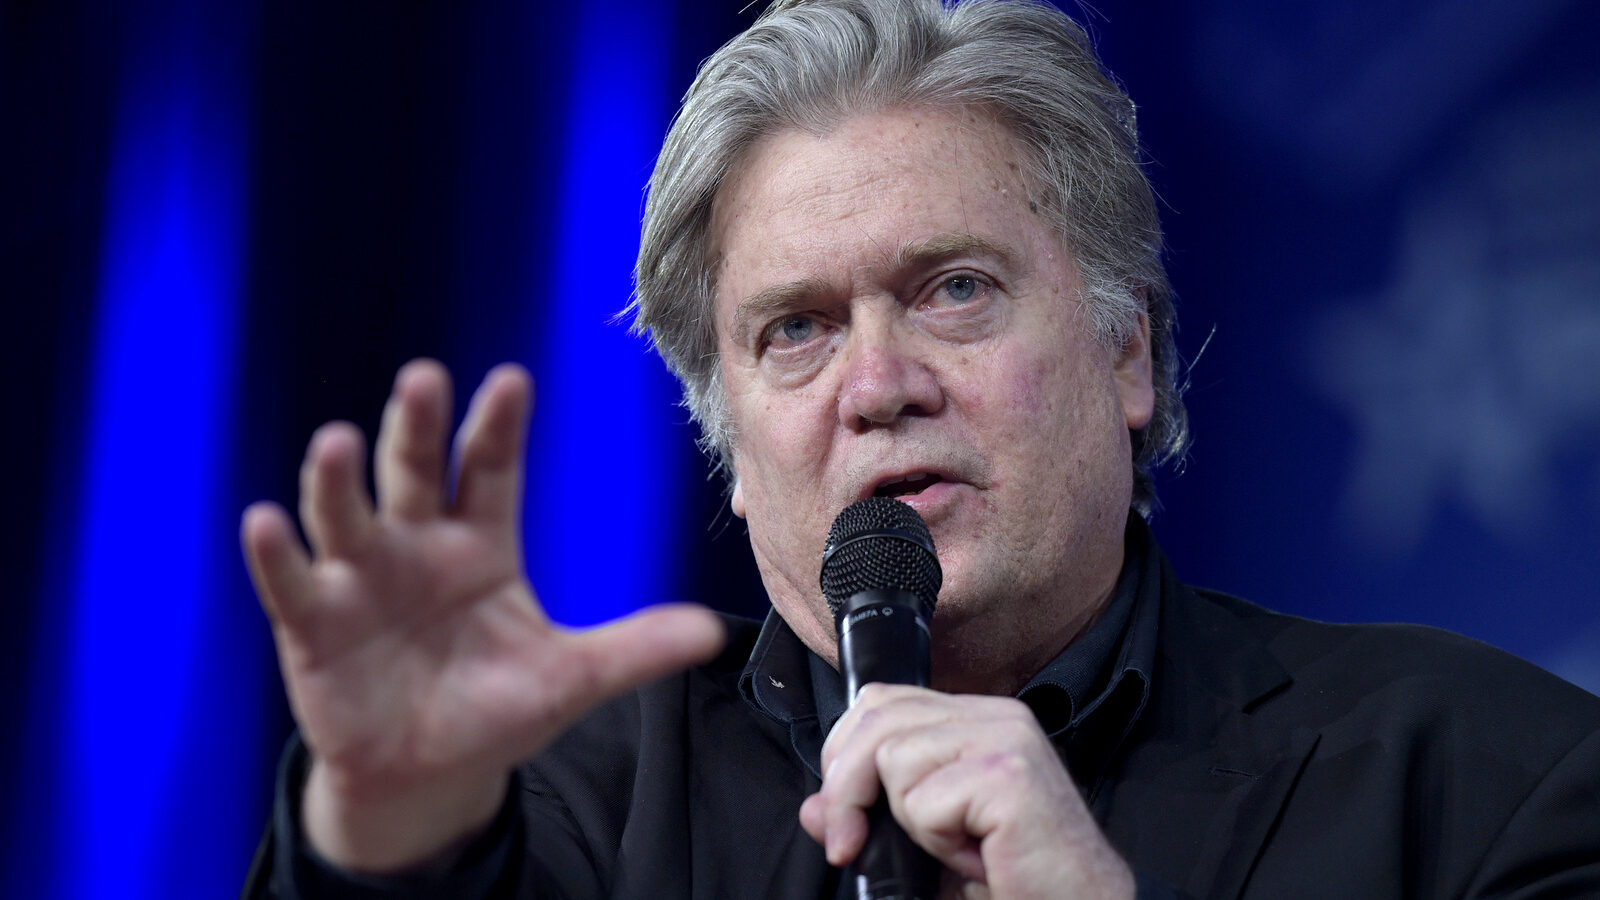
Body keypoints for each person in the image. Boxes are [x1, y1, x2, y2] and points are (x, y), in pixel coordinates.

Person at [241, 0, 1600, 897]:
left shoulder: (1489, 781)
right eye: (797, 329)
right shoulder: (557, 819)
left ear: (1129, 346)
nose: (878, 385)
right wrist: (388, 833)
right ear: (727, 436)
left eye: (956, 289)